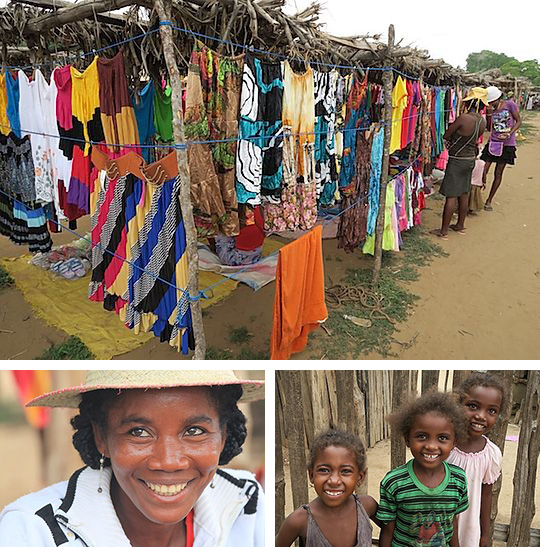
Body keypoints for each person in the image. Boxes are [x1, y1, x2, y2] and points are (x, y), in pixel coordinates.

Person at [0, 370, 265, 547]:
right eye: (139, 433)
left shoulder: (247, 502)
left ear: (222, 435)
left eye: (194, 431)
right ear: (101, 436)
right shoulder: (31, 531)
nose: (169, 461)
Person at [377, 390, 469, 547]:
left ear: (454, 442)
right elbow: (387, 530)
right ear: (407, 439)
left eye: (442, 438)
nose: (431, 446)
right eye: (422, 436)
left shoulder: (458, 480)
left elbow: (452, 521)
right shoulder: (394, 482)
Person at [275, 429, 379, 547]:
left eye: (345, 471)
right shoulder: (299, 520)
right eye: (324, 470)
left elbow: (391, 526)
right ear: (311, 475)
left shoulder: (366, 506)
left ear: (360, 477)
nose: (334, 481)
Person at [447, 373, 504, 547]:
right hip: (439, 522)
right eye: (473, 406)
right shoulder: (444, 446)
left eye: (491, 411)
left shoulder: (491, 454)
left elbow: (486, 495)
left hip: (468, 525)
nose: (481, 416)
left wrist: (485, 535)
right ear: (458, 405)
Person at [431, 88, 487, 239]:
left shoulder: (464, 118)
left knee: (451, 195)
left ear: (471, 102)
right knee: (464, 192)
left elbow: (447, 134)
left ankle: (443, 231)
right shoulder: (483, 121)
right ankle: (460, 225)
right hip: (470, 160)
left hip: (457, 160)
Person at [481, 85, 521, 211]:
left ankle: (489, 200)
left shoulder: (510, 105)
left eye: (492, 102)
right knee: (482, 170)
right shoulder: (491, 109)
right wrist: (489, 113)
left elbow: (519, 121)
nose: (490, 104)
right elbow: (489, 127)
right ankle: (475, 196)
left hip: (507, 144)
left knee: (498, 173)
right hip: (493, 142)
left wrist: (510, 133)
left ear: (498, 98)